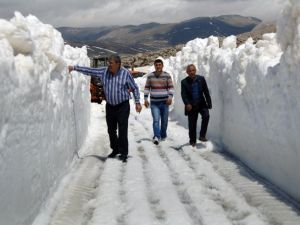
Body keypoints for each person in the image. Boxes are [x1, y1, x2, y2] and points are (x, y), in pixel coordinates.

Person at [68, 55, 142, 162]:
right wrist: (74, 68)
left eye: (111, 63)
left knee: (122, 130)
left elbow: (134, 88)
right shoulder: (104, 71)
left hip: (123, 106)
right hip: (110, 106)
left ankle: (124, 152)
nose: (109, 65)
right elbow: (90, 71)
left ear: (118, 64)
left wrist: (137, 102)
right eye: (108, 62)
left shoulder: (125, 74)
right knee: (111, 130)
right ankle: (115, 149)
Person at [144, 59, 174, 145]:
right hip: (154, 103)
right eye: (156, 65)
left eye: (159, 65)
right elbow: (147, 88)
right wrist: (145, 99)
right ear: (154, 66)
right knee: (156, 120)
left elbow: (171, 88)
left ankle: (163, 134)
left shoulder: (167, 75)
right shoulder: (150, 76)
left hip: (165, 102)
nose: (158, 66)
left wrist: (170, 97)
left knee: (164, 121)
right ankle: (156, 136)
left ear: (162, 65)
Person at [181, 64, 212, 147]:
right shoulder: (184, 82)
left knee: (206, 116)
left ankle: (202, 135)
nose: (192, 72)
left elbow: (206, 91)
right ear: (187, 72)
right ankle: (192, 141)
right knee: (192, 124)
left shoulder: (201, 79)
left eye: (193, 70)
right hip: (191, 105)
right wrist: (187, 103)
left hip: (202, 103)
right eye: (190, 71)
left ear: (195, 70)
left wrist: (209, 102)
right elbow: (184, 95)